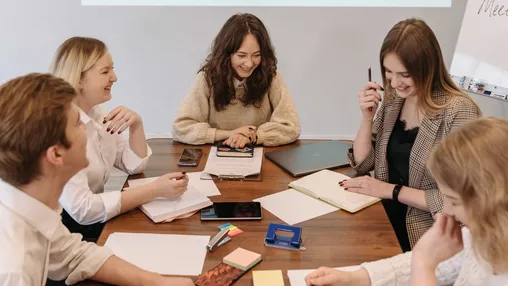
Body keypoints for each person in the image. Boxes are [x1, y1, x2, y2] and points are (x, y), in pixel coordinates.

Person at [0, 73, 194, 286]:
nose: (87, 127)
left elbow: (75, 255)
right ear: (55, 155)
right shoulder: (13, 269)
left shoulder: (31, 207)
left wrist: (158, 282)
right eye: (78, 124)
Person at [306, 117, 508, 286]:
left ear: (491, 199)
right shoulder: (480, 233)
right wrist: (354, 278)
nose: (445, 209)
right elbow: (443, 266)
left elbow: (426, 264)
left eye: (454, 202)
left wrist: (423, 263)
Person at [342, 18, 481, 251]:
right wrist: (367, 119)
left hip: (428, 231)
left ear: (427, 67)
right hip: (382, 217)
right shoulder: (395, 98)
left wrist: (392, 191)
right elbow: (364, 163)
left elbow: (463, 201)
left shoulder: (459, 111)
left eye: (404, 74)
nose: (395, 82)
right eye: (388, 72)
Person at [50, 37, 188, 242]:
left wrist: (136, 125)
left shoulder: (96, 113)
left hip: (94, 222)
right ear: (79, 79)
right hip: (65, 235)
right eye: (105, 72)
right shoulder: (59, 129)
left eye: (112, 70)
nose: (114, 77)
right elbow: (83, 210)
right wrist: (154, 190)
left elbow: (133, 165)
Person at [172, 13, 301, 148]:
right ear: (226, 54)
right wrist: (229, 134)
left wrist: (253, 136)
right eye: (241, 55)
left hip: (261, 156)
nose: (249, 63)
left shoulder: (271, 77)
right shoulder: (206, 79)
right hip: (215, 156)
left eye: (256, 55)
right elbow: (180, 129)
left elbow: (291, 126)